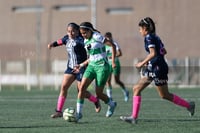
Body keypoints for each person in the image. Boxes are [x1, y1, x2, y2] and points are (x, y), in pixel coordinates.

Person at [120, 17, 195, 124]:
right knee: (136, 88)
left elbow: (153, 53)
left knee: (164, 95)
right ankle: (134, 117)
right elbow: (163, 51)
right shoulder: (155, 37)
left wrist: (142, 63)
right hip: (154, 67)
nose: (139, 31)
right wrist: (150, 61)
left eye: (140, 29)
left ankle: (189, 105)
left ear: (145, 28)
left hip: (158, 69)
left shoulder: (149, 37)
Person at [48, 22, 101, 118]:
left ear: (77, 31)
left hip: (81, 68)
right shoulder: (66, 38)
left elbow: (90, 48)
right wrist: (52, 44)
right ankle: (59, 111)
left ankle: (95, 101)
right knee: (64, 87)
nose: (71, 33)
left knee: (81, 91)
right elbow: (60, 41)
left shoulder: (81, 40)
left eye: (73, 31)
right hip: (70, 68)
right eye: (69, 31)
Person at [73, 22, 117, 121]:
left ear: (90, 30)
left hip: (102, 67)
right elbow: (91, 58)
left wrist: (113, 61)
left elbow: (112, 46)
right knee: (82, 88)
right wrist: (80, 65)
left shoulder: (97, 36)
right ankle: (78, 114)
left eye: (85, 33)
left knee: (99, 94)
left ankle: (111, 104)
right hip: (91, 67)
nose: (83, 35)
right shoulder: (85, 41)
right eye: (82, 33)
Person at [104, 32, 129, 102]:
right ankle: (110, 97)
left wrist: (112, 56)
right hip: (107, 64)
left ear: (111, 37)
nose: (108, 39)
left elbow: (120, 53)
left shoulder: (114, 44)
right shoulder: (103, 45)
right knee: (107, 81)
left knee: (117, 80)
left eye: (109, 37)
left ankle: (126, 91)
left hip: (115, 63)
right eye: (106, 38)